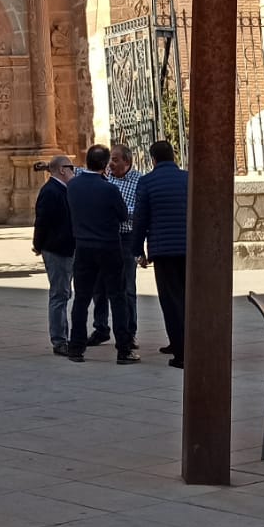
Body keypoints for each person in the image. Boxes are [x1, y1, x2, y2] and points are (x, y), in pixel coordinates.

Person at [65, 144, 138, 363]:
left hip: (83, 247)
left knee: (82, 298)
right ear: (105, 165)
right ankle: (124, 349)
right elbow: (123, 215)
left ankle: (76, 347)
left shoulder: (73, 186)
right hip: (108, 246)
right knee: (117, 297)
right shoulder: (109, 189)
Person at [133, 138, 189, 368]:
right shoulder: (188, 179)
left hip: (163, 250)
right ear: (174, 156)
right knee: (189, 298)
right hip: (189, 249)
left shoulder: (147, 182)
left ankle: (180, 351)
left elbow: (140, 219)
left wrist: (138, 250)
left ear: (152, 159)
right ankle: (186, 343)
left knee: (171, 300)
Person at [31, 154, 77, 355]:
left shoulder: (63, 189)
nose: (74, 172)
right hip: (57, 249)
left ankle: (65, 336)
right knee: (59, 294)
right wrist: (38, 244)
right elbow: (42, 221)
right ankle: (59, 340)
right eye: (71, 168)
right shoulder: (51, 191)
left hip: (66, 247)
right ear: (61, 170)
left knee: (64, 292)